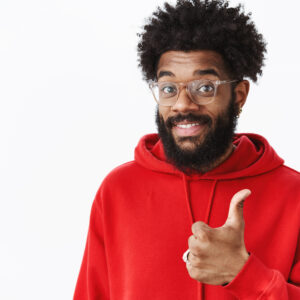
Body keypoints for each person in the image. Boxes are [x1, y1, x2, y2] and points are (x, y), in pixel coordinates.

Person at [73, 0, 300, 299]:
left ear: (239, 96)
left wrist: (243, 274)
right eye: (169, 88)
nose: (182, 104)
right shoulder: (118, 190)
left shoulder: (292, 195)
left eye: (205, 87)